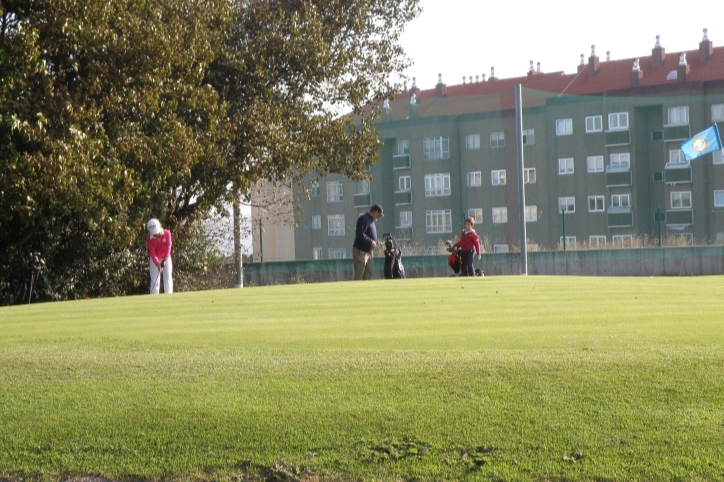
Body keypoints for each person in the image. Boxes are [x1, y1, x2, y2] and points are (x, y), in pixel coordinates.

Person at [353, 204, 384, 280]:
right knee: (359, 274)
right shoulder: (364, 218)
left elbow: (371, 236)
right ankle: (356, 290)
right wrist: (370, 242)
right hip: (361, 252)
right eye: (379, 215)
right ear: (376, 212)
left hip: (369, 253)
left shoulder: (371, 221)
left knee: (368, 275)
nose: (379, 217)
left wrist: (378, 242)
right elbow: (360, 234)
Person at [146, 218, 173, 294]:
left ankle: (169, 296)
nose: (156, 235)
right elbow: (152, 253)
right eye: (154, 234)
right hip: (155, 259)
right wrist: (158, 264)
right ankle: (154, 298)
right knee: (154, 279)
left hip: (166, 257)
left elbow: (168, 246)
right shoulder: (149, 239)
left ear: (160, 226)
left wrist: (164, 260)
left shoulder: (167, 233)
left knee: (167, 276)